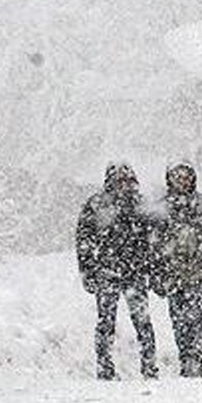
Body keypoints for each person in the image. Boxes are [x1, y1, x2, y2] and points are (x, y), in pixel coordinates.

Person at [76, 162, 158, 380]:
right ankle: (104, 367)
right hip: (107, 271)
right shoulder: (96, 205)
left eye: (127, 179)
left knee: (142, 321)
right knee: (106, 322)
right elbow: (84, 240)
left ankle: (149, 366)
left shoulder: (140, 205)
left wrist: (151, 267)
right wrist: (87, 270)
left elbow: (153, 240)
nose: (124, 184)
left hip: (134, 272)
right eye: (120, 179)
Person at [152, 162, 202, 377]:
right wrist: (156, 274)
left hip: (198, 275)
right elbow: (154, 246)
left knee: (196, 319)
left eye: (186, 177)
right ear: (170, 179)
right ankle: (185, 359)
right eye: (177, 177)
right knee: (178, 321)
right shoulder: (162, 209)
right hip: (172, 275)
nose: (182, 181)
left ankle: (198, 360)